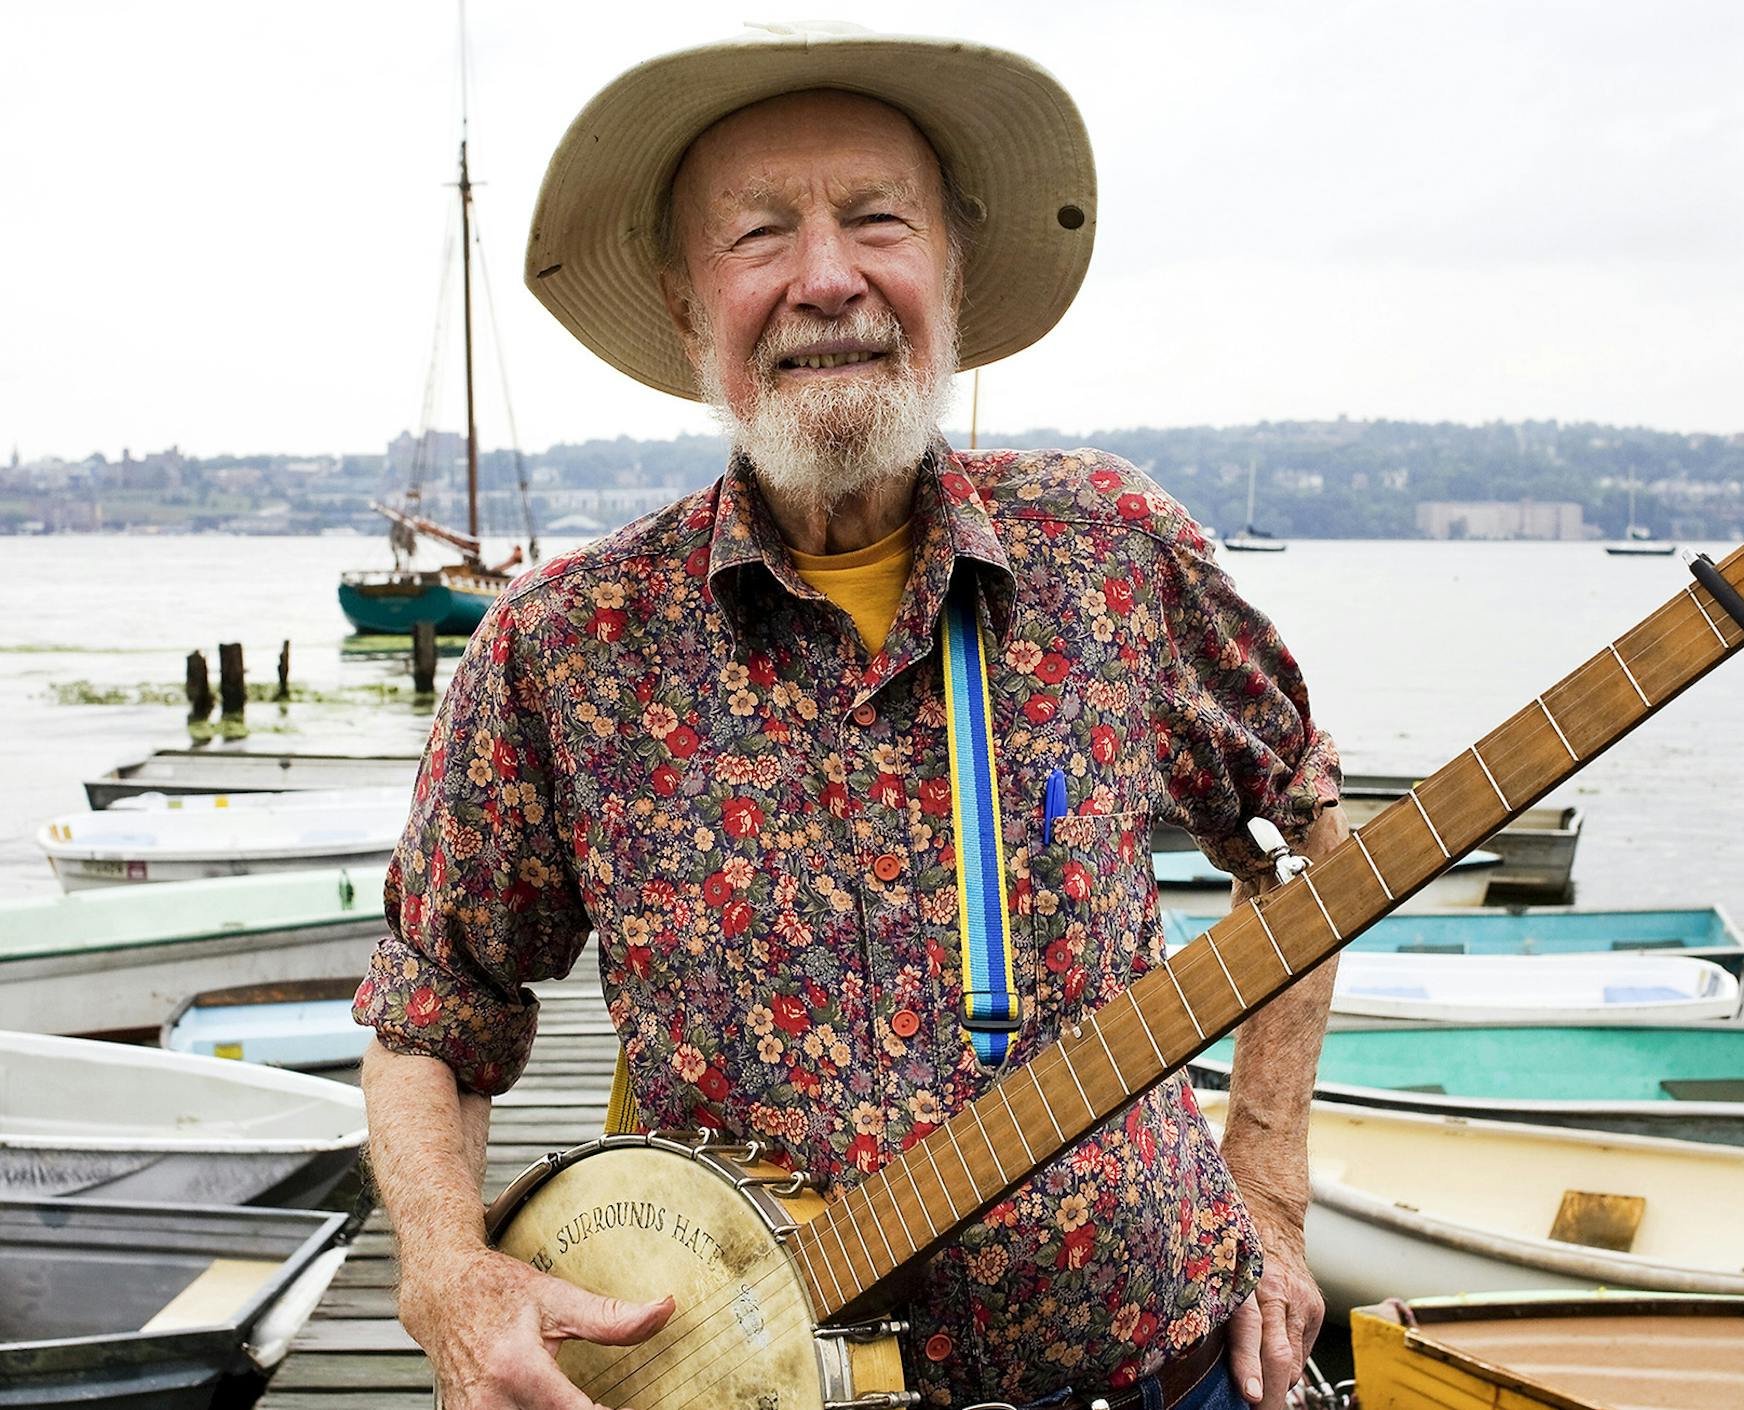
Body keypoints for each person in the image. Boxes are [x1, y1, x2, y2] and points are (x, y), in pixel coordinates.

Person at [355, 23, 1347, 1410]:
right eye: (760, 235)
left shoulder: (1115, 555)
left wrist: (1272, 1187)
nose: (828, 278)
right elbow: (431, 1012)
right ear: (690, 307)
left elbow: (1302, 831)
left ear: (948, 267)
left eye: (876, 221)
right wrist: (447, 1274)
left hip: (1173, 1370)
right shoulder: (563, 650)